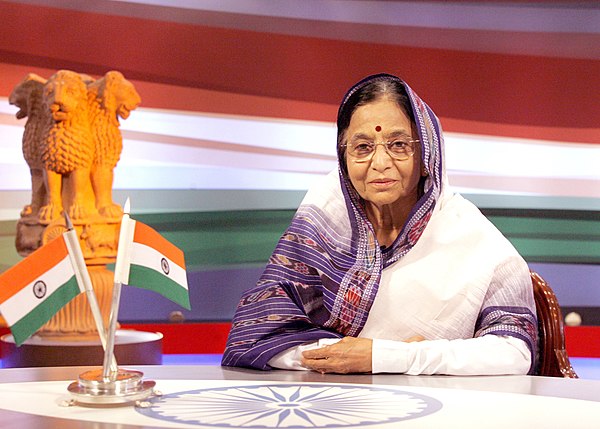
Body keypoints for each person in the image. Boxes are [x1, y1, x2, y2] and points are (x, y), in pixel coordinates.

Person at [221, 73, 537, 375]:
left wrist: (386, 356)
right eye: (362, 147)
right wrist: (343, 357)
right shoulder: (326, 218)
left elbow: (513, 352)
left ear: (427, 156)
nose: (380, 163)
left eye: (399, 144)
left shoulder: (474, 242)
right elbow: (255, 336)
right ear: (344, 158)